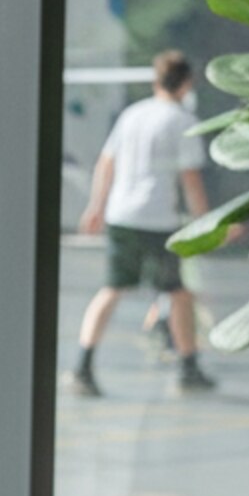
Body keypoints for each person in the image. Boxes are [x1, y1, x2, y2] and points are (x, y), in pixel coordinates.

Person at [66, 50, 216, 397]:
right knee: (178, 293)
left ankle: (83, 366)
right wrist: (207, 222)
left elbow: (106, 163)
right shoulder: (182, 120)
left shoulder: (132, 115)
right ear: (187, 83)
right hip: (156, 219)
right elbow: (190, 177)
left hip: (121, 215)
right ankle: (188, 367)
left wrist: (96, 207)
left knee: (112, 288)